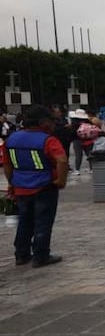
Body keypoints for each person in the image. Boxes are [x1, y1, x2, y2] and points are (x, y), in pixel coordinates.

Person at [2, 105, 67, 268]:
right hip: (44, 186)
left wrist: (12, 182)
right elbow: (62, 160)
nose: (53, 125)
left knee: (25, 221)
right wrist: (61, 180)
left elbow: (8, 165)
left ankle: (21, 254)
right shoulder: (47, 140)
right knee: (43, 221)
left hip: (21, 187)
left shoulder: (12, 139)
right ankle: (41, 255)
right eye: (52, 121)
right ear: (43, 122)